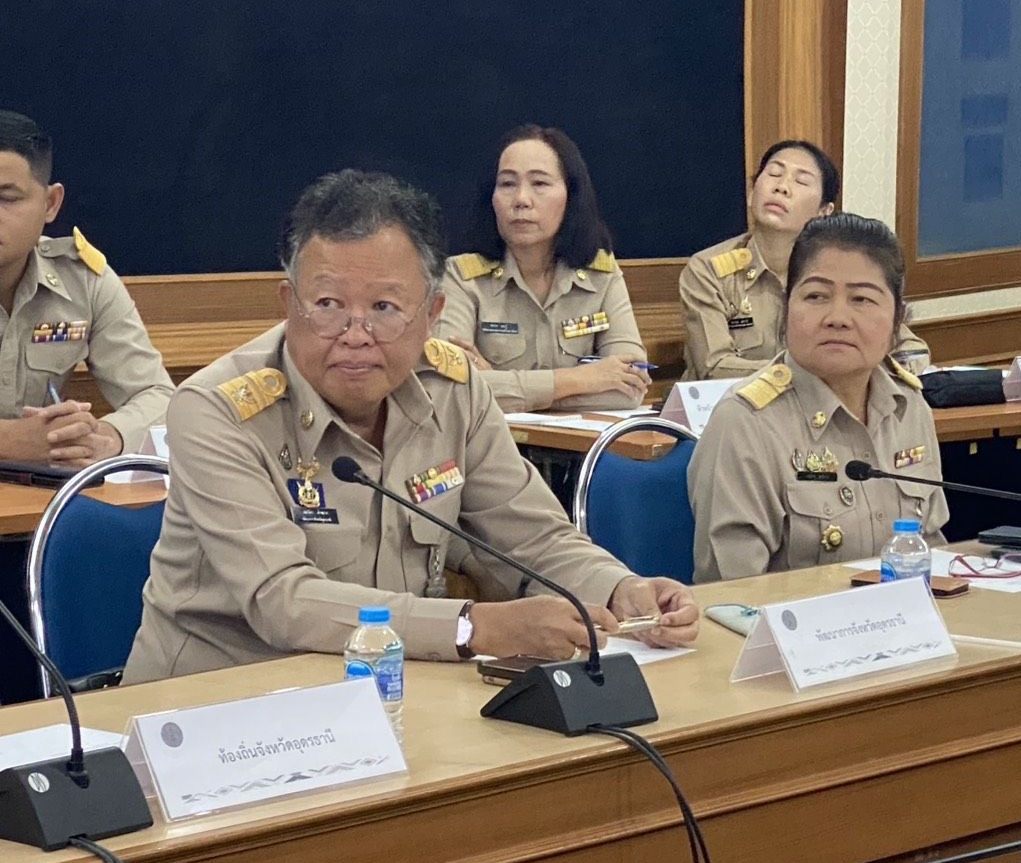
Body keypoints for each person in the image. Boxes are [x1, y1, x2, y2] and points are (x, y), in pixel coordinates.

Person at [124, 170, 697, 683]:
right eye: (327, 304)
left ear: (432, 315)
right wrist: (473, 628)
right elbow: (283, 601)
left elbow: (534, 538)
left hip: (387, 689)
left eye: (384, 308)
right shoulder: (216, 410)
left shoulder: (454, 390)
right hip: (216, 703)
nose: (354, 334)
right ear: (288, 303)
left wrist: (620, 590)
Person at [689, 213, 947, 582]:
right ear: (786, 307)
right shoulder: (745, 422)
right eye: (816, 296)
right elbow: (731, 594)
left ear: (897, 319)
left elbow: (930, 554)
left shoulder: (909, 408)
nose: (837, 317)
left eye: (861, 299)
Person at [437, 124, 649, 413]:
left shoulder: (601, 274)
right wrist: (580, 380)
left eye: (539, 183)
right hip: (490, 440)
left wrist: (497, 386)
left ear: (570, 196)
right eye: (507, 184)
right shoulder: (461, 278)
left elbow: (631, 388)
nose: (521, 200)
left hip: (579, 441)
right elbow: (449, 389)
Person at [0, 110, 172, 464]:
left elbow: (160, 397)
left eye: (7, 198)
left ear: (50, 204)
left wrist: (104, 438)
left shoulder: (82, 279)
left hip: (43, 488)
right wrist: (8, 442)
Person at [680, 139, 930, 380]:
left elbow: (912, 351)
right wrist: (816, 373)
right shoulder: (709, 270)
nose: (782, 187)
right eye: (774, 174)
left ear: (824, 212)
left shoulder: (838, 271)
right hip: (735, 405)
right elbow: (714, 367)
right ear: (751, 192)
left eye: (801, 181)